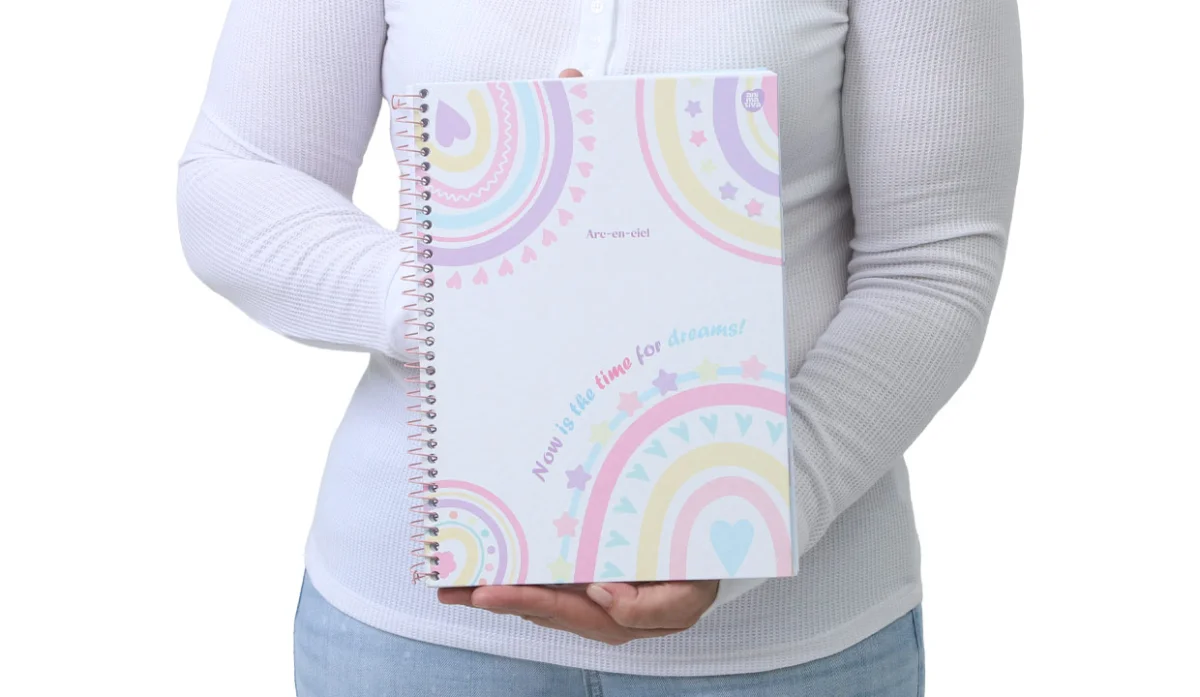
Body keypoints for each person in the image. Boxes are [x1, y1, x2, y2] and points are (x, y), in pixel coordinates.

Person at [177, 0, 1022, 694]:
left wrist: (751, 514)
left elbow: (931, 263)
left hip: (790, 646)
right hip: (415, 635)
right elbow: (235, 180)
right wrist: (472, 295)